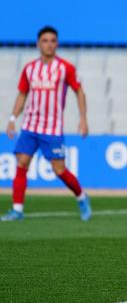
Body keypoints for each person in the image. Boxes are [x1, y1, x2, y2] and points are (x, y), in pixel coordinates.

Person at [3, 26, 91, 222]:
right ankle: (17, 209)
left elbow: (79, 91)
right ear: (38, 44)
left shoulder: (65, 68)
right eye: (45, 40)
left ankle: (81, 197)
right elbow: (22, 94)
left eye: (52, 40)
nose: (49, 44)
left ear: (57, 44)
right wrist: (12, 119)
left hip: (52, 128)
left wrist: (83, 118)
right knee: (22, 163)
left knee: (59, 170)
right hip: (30, 126)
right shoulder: (30, 69)